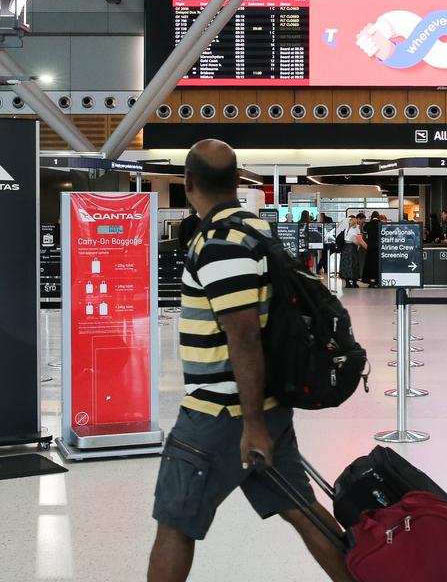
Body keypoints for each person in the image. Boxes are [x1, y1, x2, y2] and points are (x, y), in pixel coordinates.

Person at [148, 139, 353, 582]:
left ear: (188, 185)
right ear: (237, 182)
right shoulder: (255, 229)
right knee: (302, 510)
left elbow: (241, 334)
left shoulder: (220, 242)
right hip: (262, 404)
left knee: (175, 522)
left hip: (223, 412)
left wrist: (253, 423)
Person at [341, 214, 364, 288]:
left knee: (346, 265)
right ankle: (354, 282)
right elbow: (355, 241)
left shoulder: (346, 229)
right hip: (352, 248)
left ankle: (347, 282)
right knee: (354, 264)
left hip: (345, 248)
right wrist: (360, 244)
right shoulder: (356, 229)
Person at [361, 211, 381, 286]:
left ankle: (369, 280)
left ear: (372, 216)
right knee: (377, 264)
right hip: (379, 247)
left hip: (370, 246)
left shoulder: (368, 224)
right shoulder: (381, 224)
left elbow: (364, 230)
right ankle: (377, 280)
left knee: (369, 264)